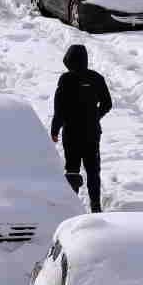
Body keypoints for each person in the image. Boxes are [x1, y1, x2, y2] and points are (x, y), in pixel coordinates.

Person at [49, 43, 112, 213]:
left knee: (72, 169)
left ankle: (73, 205)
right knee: (93, 170)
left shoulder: (65, 80)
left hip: (71, 133)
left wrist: (54, 131)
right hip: (92, 133)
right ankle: (95, 205)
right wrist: (95, 116)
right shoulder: (96, 78)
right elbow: (108, 103)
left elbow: (59, 110)